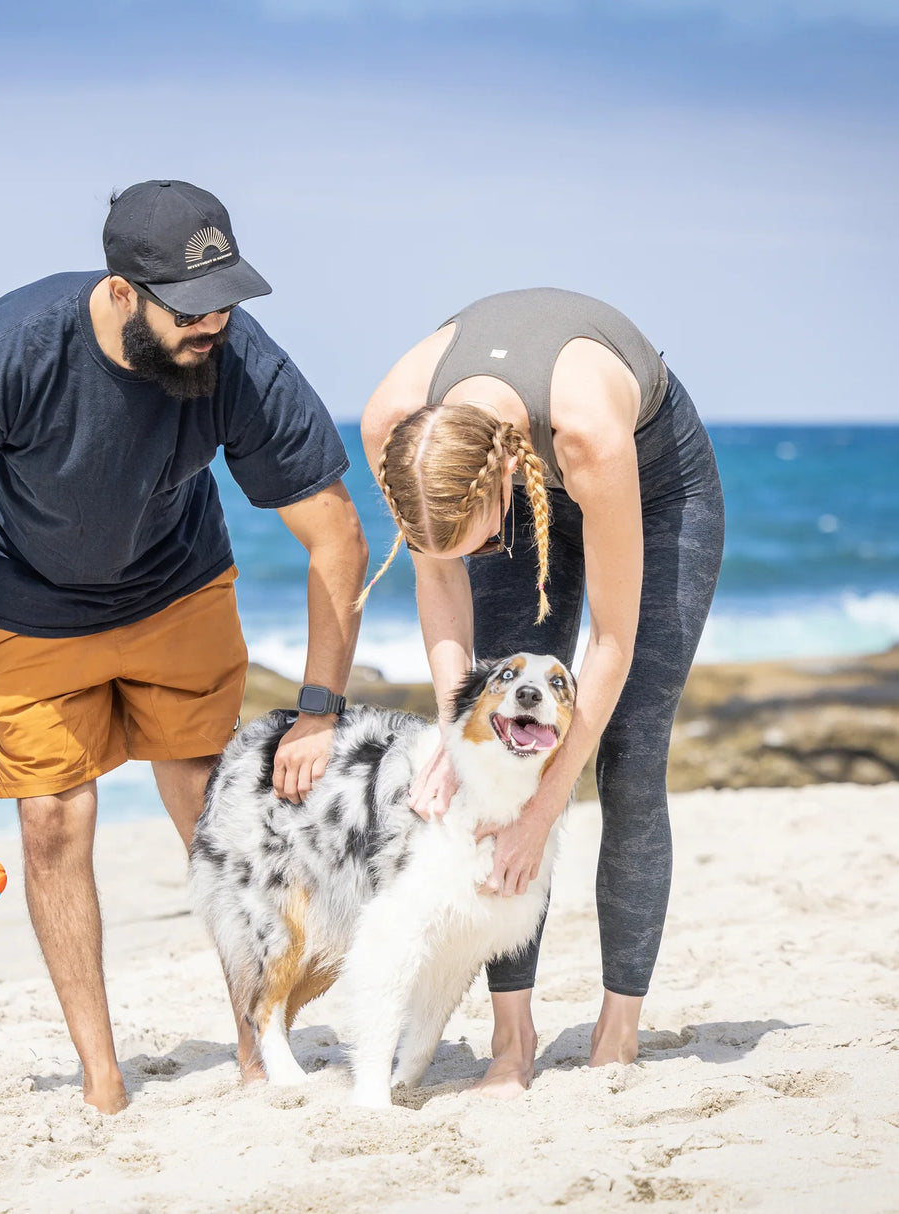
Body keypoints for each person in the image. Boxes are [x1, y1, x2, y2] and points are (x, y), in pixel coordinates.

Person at [0, 179, 369, 1113]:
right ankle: (102, 1079)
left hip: (176, 589)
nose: (214, 323)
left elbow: (338, 537)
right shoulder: (15, 352)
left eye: (226, 299)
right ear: (122, 292)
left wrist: (319, 710)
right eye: (191, 308)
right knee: (51, 821)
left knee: (207, 802)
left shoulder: (236, 359)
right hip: (30, 602)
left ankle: (258, 1048)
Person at [359, 287, 724, 1095]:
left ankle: (616, 1032)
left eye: (482, 542)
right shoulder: (393, 429)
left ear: (501, 480)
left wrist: (542, 811)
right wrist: (457, 735)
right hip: (518, 486)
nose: (476, 555)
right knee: (497, 759)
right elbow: (440, 581)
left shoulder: (588, 432)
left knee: (628, 755)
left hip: (656, 488)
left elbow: (612, 641)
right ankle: (511, 1041)